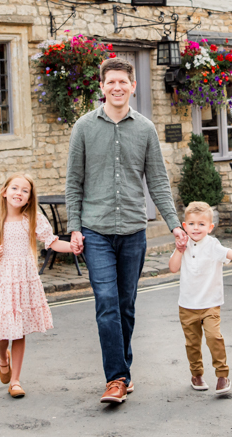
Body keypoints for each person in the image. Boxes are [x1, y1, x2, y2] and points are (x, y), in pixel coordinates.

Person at [66, 57, 188, 404]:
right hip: (96, 231)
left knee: (126, 304)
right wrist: (74, 228)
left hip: (134, 229)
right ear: (101, 87)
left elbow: (159, 183)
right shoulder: (84, 127)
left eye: (123, 82)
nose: (117, 87)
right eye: (111, 82)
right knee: (106, 302)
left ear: (133, 86)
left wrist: (174, 224)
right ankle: (116, 378)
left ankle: (123, 371)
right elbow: (73, 183)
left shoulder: (145, 129)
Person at [0, 173, 73, 398]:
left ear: (29, 198)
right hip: (3, 282)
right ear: (4, 192)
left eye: (25, 191)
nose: (19, 193)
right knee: (1, 333)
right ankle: (3, 357)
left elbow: (53, 242)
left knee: (19, 330)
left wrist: (75, 247)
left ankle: (16, 381)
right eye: (15, 188)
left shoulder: (33, 219)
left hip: (25, 281)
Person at [168, 201, 232, 394]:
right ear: (184, 225)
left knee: (214, 337)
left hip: (210, 304)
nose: (196, 228)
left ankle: (222, 376)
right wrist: (179, 250)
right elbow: (173, 267)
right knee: (192, 343)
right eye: (191, 224)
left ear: (210, 227)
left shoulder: (213, 245)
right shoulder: (183, 244)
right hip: (187, 305)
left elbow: (230, 253)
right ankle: (196, 374)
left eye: (201, 224)